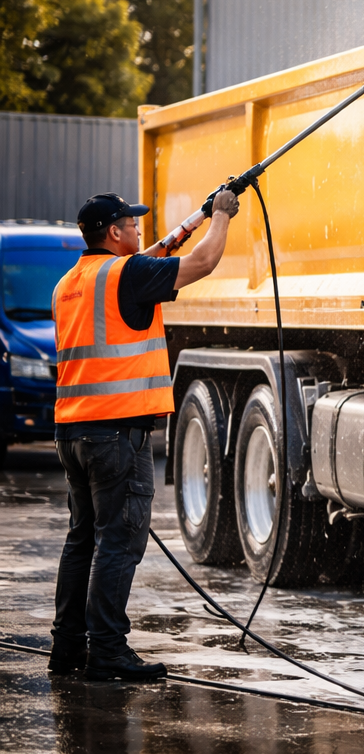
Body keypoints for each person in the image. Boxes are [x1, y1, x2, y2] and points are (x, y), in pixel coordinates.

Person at [48, 190, 238, 681]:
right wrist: (220, 216)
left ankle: (67, 647)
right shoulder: (126, 275)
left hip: (73, 431)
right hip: (116, 433)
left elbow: (157, 254)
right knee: (119, 542)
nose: (138, 229)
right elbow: (203, 262)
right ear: (113, 232)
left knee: (82, 540)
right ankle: (108, 650)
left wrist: (193, 219)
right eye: (131, 223)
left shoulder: (71, 283)